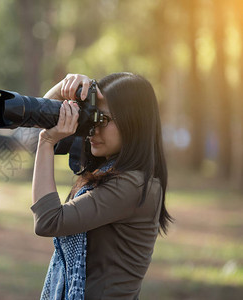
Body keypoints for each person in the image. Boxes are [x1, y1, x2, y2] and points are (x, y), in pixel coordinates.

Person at [31, 73, 173, 300]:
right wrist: (63, 88)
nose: (93, 129)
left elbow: (48, 221)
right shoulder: (112, 169)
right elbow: (39, 120)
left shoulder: (132, 185)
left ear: (132, 123)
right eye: (92, 118)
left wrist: (46, 143)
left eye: (103, 120)